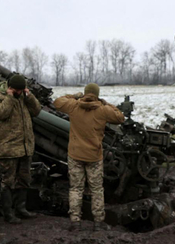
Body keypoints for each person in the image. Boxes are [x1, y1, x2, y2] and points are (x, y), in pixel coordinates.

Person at [53, 83, 125, 231]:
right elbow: (120, 117)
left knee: (75, 189)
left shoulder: (73, 106)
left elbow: (57, 102)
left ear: (85, 93)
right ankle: (98, 223)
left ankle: (75, 222)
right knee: (97, 189)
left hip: (75, 154)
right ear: (97, 94)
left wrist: (74, 96)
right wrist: (106, 103)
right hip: (94, 156)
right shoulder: (103, 110)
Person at [0, 74, 42, 224]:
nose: (20, 92)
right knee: (8, 181)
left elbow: (36, 111)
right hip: (8, 147)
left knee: (24, 179)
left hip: (24, 147)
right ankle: (7, 213)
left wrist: (29, 96)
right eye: (17, 90)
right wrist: (10, 97)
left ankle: (21, 208)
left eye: (22, 90)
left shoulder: (24, 97)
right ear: (10, 88)